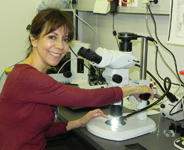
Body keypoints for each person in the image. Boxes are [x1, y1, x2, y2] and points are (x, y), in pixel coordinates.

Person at [0, 8, 154, 150]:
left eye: (65, 39)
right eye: (52, 37)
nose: (60, 46)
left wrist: (78, 122)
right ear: (34, 39)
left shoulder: (32, 75)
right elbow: (86, 98)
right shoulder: (27, 77)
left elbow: (39, 130)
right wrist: (133, 89)